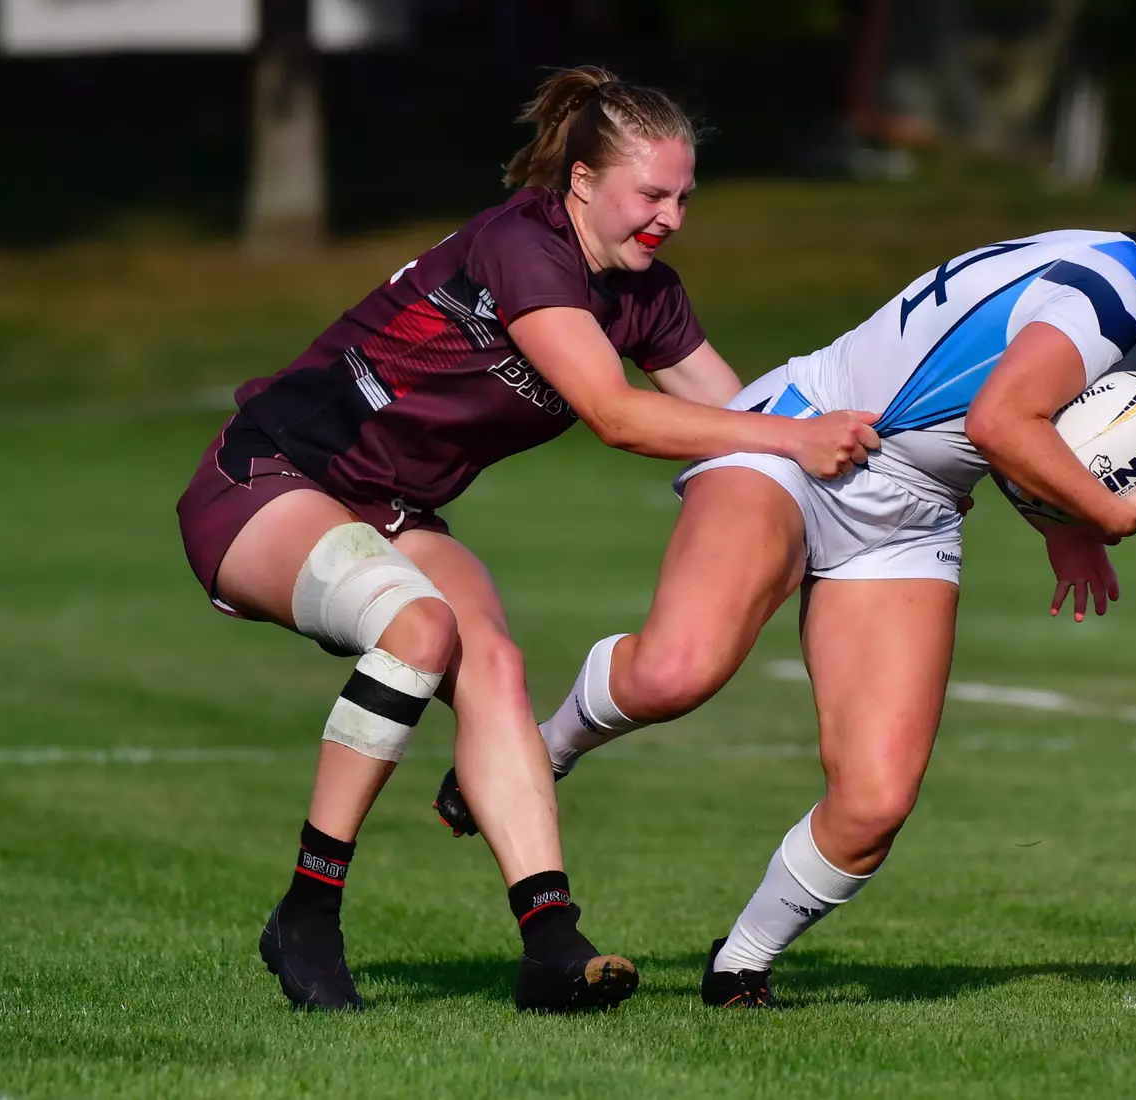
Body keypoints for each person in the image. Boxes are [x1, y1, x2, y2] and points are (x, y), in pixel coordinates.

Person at [434, 126, 1136, 1006]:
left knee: (874, 802)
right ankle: (538, 750)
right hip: (799, 444)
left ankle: (740, 965)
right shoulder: (1103, 298)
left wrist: (1057, 526)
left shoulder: (1127, 313)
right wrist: (1105, 514)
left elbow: (991, 414)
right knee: (677, 672)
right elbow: (999, 421)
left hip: (909, 518)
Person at [175, 66, 879, 1015]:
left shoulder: (644, 293)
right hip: (268, 478)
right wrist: (793, 441)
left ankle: (549, 941)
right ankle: (307, 912)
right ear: (581, 181)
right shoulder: (525, 245)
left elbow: (743, 413)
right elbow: (616, 415)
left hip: (391, 511)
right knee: (421, 629)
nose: (670, 217)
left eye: (683, 198)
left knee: (495, 665)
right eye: (651, 194)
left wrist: (882, 454)